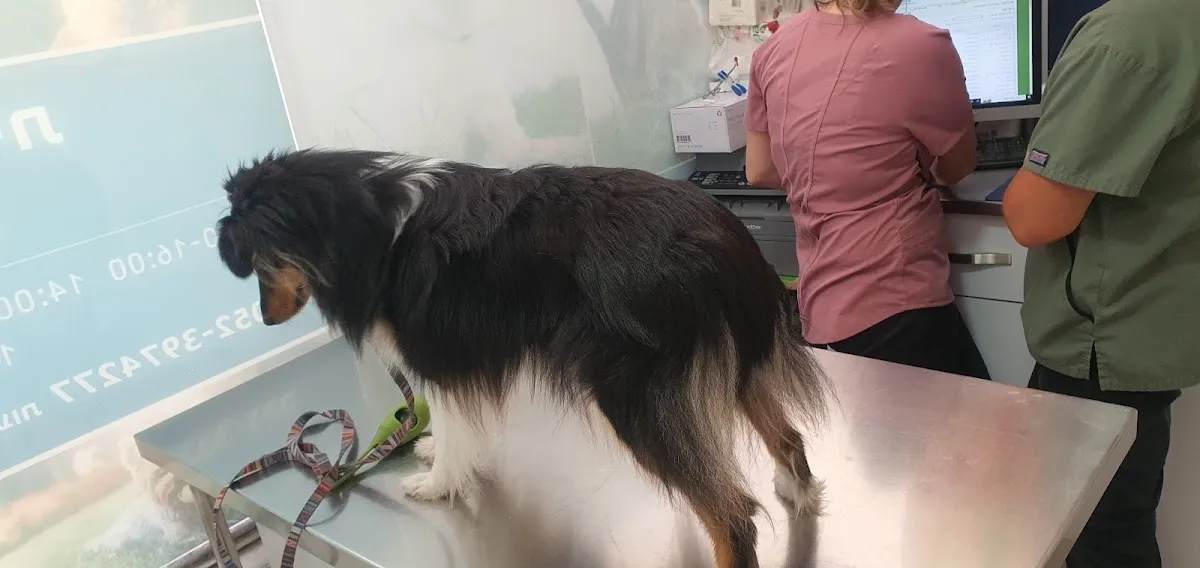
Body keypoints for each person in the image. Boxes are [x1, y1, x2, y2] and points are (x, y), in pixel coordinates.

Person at [1001, 0, 1200, 565]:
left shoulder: (1131, 32)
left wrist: (1035, 161)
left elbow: (1032, 218)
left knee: (1098, 537)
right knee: (1118, 522)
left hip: (1101, 339)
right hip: (1150, 321)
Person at [744, 0, 989, 379]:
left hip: (820, 309)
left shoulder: (772, 49)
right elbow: (958, 166)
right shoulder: (920, 43)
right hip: (899, 301)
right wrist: (918, 168)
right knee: (982, 412)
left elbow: (759, 169)